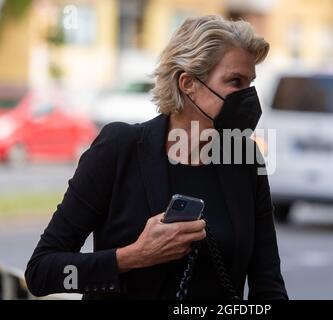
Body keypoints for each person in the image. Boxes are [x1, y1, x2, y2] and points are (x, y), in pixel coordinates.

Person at [25, 14, 288, 300]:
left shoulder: (244, 158)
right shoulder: (119, 148)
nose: (248, 96)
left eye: (250, 83)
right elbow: (42, 273)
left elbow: (269, 285)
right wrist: (133, 256)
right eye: (235, 81)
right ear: (188, 83)